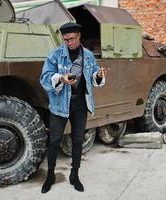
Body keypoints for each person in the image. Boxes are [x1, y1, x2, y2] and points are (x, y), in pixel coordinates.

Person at [40, 22, 107, 193]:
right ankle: (50, 175)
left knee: (78, 141)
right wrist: (61, 78)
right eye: (65, 40)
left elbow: (93, 76)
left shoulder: (89, 56)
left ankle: (74, 175)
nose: (68, 43)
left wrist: (98, 75)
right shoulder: (55, 55)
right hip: (59, 105)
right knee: (54, 141)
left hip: (80, 105)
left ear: (79, 37)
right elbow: (44, 78)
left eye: (71, 39)